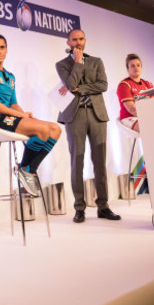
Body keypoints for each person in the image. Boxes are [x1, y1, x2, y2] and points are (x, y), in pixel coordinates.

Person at [0, 34, 61, 196]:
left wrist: (24, 115)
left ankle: (27, 169)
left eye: (2, 47)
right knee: (41, 130)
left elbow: (14, 103)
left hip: (9, 117)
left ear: (6, 50)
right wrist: (19, 115)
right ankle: (27, 170)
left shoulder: (10, 76)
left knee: (55, 129)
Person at [55, 29, 120, 223]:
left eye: (81, 39)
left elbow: (103, 85)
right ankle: (79, 208)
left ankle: (103, 206)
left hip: (97, 114)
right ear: (68, 41)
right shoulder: (62, 64)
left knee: (100, 161)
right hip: (74, 115)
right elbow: (70, 81)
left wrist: (80, 89)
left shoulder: (97, 61)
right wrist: (78, 63)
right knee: (77, 161)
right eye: (74, 40)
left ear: (85, 40)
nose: (78, 43)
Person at [116, 54, 154, 133]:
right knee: (149, 127)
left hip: (147, 115)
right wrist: (149, 116)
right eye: (132, 66)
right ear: (128, 69)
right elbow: (132, 109)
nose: (136, 67)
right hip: (130, 117)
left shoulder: (148, 84)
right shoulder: (124, 85)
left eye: (138, 65)